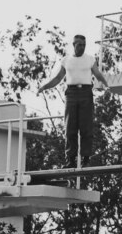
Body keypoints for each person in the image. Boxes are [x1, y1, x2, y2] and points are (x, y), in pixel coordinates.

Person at [38, 34, 109, 168]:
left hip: (86, 92)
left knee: (86, 127)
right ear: (74, 45)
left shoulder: (90, 59)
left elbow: (97, 74)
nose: (81, 47)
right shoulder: (67, 60)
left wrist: (106, 84)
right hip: (71, 93)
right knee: (70, 127)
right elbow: (58, 78)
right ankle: (70, 159)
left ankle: (86, 159)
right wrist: (45, 87)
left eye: (83, 45)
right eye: (79, 45)